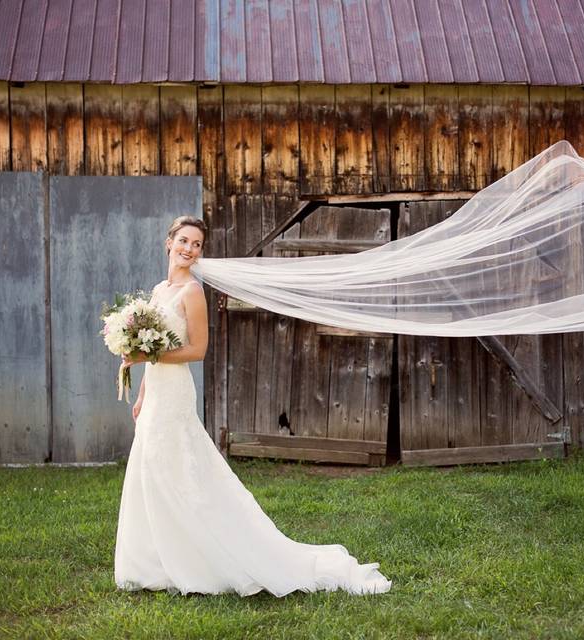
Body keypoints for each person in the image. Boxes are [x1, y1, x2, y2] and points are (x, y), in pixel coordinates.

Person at [114, 215, 392, 597]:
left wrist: (145, 359)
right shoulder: (159, 289)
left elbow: (196, 350)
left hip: (176, 393)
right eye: (183, 240)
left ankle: (204, 558)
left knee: (181, 473)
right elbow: (155, 347)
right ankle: (154, 560)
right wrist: (143, 392)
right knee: (152, 470)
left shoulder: (192, 292)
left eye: (196, 244)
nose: (189, 249)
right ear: (169, 242)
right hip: (157, 392)